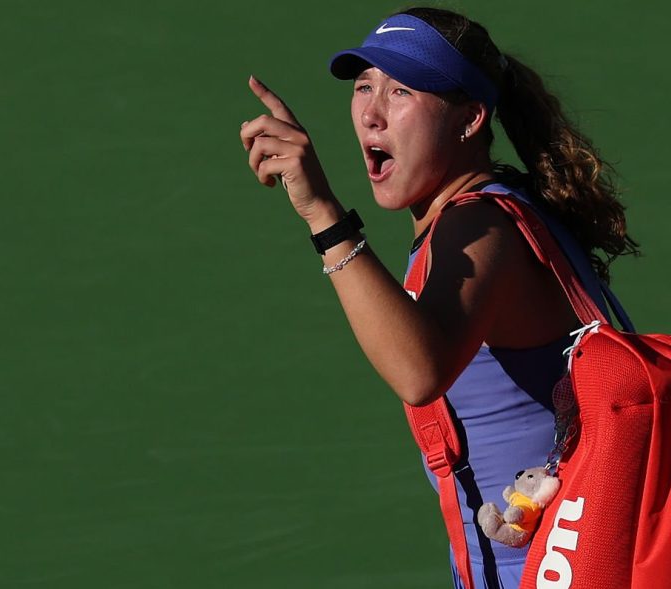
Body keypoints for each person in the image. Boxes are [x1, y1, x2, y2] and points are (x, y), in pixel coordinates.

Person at [239, 7, 637, 588]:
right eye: (364, 86)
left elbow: (419, 371)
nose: (371, 112)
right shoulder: (496, 211)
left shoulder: (480, 226)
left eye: (401, 91)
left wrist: (322, 213)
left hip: (551, 571)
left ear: (470, 119)